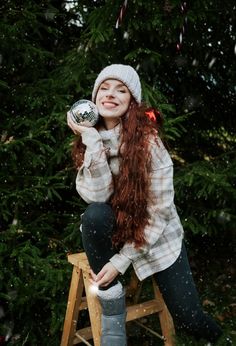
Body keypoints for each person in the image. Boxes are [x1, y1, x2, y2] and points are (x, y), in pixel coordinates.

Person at [67, 64, 230, 346]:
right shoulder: (88, 141)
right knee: (93, 216)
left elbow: (159, 212)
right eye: (104, 88)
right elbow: (97, 198)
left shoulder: (149, 142)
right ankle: (113, 320)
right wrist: (92, 141)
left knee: (189, 318)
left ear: (132, 102)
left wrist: (121, 261)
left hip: (156, 237)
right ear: (93, 99)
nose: (111, 94)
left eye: (121, 90)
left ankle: (220, 337)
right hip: (115, 231)